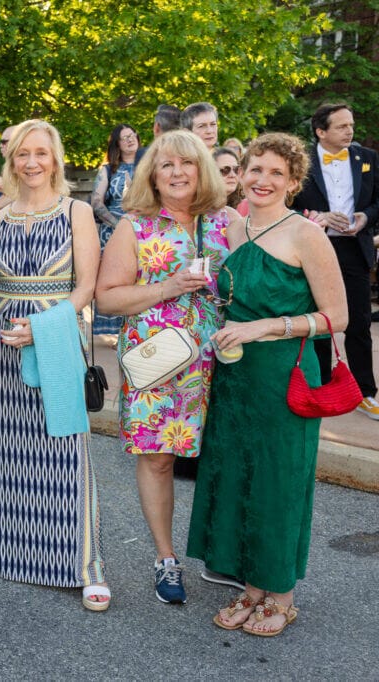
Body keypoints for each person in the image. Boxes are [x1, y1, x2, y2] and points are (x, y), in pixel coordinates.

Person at [188, 132, 348, 636]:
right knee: (237, 478)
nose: (263, 180)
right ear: (240, 174)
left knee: (278, 481)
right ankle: (251, 589)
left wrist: (264, 327)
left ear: (293, 182)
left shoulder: (307, 235)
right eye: (255, 169)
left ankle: (281, 595)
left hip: (285, 375)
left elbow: (337, 316)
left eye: (277, 173)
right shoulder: (233, 229)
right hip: (235, 376)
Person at [0, 119, 109, 611]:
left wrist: (42, 327)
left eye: (41, 153)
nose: (31, 162)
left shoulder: (76, 212)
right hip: (1, 340)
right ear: (11, 160)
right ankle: (9, 552)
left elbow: (86, 287)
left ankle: (85, 564)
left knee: (64, 448)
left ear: (55, 159)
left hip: (56, 333)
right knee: (4, 448)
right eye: (23, 153)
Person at [95, 129, 237, 605]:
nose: (177, 172)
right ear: (152, 176)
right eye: (166, 165)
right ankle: (166, 558)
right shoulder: (134, 226)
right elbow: (107, 297)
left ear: (203, 169)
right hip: (160, 363)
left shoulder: (227, 221)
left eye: (187, 163)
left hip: (224, 359)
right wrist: (168, 287)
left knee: (227, 456)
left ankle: (225, 555)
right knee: (158, 458)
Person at [290, 103, 379, 419]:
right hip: (314, 250)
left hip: (355, 249)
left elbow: (378, 201)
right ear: (320, 131)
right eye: (342, 126)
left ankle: (366, 393)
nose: (350, 131)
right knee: (319, 323)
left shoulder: (367, 158)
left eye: (350, 125)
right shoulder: (301, 162)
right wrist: (316, 217)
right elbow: (286, 205)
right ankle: (322, 387)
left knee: (359, 323)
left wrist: (365, 217)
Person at [90, 124, 139, 337]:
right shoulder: (108, 170)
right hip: (112, 230)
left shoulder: (148, 165)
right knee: (114, 279)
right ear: (117, 144)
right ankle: (112, 331)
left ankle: (136, 326)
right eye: (124, 137)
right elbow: (96, 201)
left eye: (132, 135)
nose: (130, 139)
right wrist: (119, 225)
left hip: (142, 227)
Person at [214, 147, 248, 216]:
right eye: (225, 170)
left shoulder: (243, 205)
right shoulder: (201, 208)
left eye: (236, 170)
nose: (232, 175)